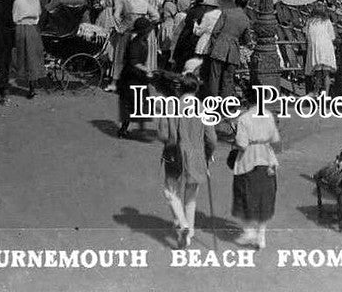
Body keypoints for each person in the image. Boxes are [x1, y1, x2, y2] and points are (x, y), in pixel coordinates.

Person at [157, 74, 218, 248]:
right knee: (191, 196)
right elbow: (211, 138)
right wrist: (208, 155)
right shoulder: (203, 108)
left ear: (179, 88)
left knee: (171, 192)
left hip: (174, 153)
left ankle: (182, 225)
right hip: (197, 155)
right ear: (196, 88)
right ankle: (189, 232)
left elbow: (163, 135)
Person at [229, 87, 281, 249]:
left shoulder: (243, 118)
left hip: (248, 160)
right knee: (265, 198)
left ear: (247, 99)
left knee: (245, 195)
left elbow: (242, 144)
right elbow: (275, 140)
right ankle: (261, 235)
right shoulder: (269, 116)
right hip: (267, 159)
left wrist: (234, 135)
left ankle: (249, 231)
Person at [206, 0, 253, 98]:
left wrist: (213, 45)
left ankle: (213, 100)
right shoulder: (246, 19)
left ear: (235, 2)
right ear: (245, 4)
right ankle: (225, 101)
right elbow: (246, 39)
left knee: (215, 76)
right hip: (233, 50)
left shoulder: (226, 12)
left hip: (220, 46)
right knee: (228, 78)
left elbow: (215, 31)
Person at [11, 0, 46, 99]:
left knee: (22, 53)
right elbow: (37, 8)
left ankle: (24, 76)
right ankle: (32, 83)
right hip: (32, 25)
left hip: (20, 24)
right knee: (33, 54)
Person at [116, 16, 156, 138]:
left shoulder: (143, 41)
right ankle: (124, 130)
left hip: (138, 76)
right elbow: (133, 62)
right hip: (131, 76)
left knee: (140, 102)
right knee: (132, 103)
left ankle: (138, 129)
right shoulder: (136, 43)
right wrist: (147, 70)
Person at [304, 11, 337, 96]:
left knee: (318, 73)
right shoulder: (327, 21)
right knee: (326, 73)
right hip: (326, 48)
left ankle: (316, 92)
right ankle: (326, 94)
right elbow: (332, 36)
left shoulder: (310, 22)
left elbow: (307, 35)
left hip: (316, 49)